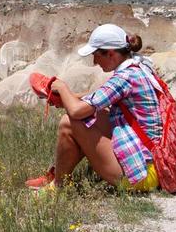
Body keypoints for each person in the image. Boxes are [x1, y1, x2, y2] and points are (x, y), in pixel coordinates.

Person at [26, 23, 162, 192]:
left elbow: (76, 111)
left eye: (96, 55)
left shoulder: (124, 78)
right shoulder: (139, 66)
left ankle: (57, 187)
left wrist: (61, 87)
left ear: (111, 53)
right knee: (95, 115)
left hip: (142, 177)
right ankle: (58, 176)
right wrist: (68, 98)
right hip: (157, 164)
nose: (94, 61)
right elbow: (100, 96)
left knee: (70, 121)